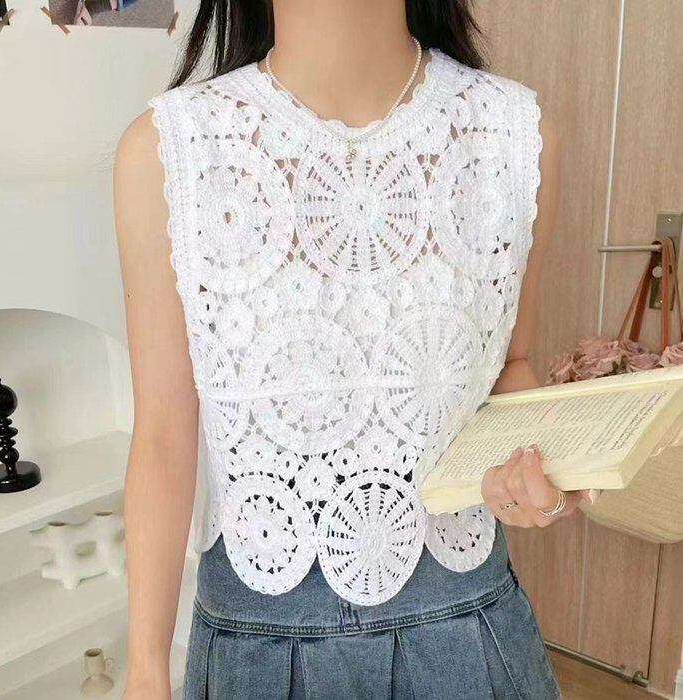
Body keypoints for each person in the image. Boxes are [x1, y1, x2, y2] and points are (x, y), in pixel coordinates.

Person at [115, 1, 584, 698]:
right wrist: (146, 670)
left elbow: (511, 367)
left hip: (465, 633)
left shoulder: (513, 133)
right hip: (256, 647)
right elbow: (162, 435)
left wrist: (540, 468)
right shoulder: (172, 149)